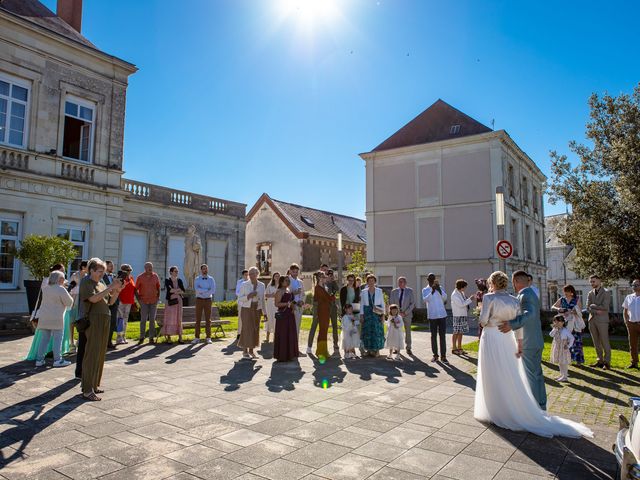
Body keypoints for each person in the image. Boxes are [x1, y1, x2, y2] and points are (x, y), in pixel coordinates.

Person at [475, 271, 592, 438]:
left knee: (492, 373)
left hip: (492, 337)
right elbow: (520, 327)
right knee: (509, 373)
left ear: (492, 283)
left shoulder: (488, 298)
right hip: (508, 339)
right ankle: (513, 407)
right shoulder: (514, 299)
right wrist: (519, 341)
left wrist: (480, 313)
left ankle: (497, 409)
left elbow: (483, 321)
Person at [498, 270, 546, 410]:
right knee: (537, 375)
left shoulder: (525, 295)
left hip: (528, 342)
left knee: (531, 376)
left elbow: (529, 314)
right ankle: (541, 404)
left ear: (516, 281)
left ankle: (535, 408)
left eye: (513, 282)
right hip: (536, 340)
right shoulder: (531, 293)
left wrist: (511, 324)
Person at [80, 258, 122, 401]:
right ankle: (87, 389)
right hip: (93, 319)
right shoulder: (86, 282)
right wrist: (110, 287)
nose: (101, 274)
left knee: (100, 354)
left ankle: (94, 384)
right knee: (92, 353)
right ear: (91, 270)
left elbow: (110, 302)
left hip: (105, 318)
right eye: (99, 271)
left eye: (103, 271)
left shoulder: (101, 283)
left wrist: (117, 290)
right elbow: (93, 299)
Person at [26, 264, 73, 361]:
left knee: (44, 339)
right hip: (56, 318)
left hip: (44, 317)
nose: (64, 280)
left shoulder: (46, 288)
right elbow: (69, 302)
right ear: (59, 279)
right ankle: (57, 360)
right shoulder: (60, 289)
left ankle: (39, 360)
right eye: (63, 278)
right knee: (57, 339)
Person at [551, 285, 585, 365]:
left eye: (567, 291)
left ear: (571, 292)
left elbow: (580, 311)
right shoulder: (562, 299)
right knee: (564, 341)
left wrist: (573, 311)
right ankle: (565, 359)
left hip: (574, 324)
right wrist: (558, 309)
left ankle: (578, 361)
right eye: (565, 291)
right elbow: (553, 306)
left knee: (576, 341)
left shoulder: (576, 300)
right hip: (563, 323)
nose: (565, 293)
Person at [238, 267, 265, 359]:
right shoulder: (244, 284)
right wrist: (248, 296)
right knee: (246, 329)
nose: (252, 275)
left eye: (254, 273)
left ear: (257, 274)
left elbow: (263, 300)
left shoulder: (262, 285)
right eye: (250, 274)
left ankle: (251, 351)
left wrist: (264, 313)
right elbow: (239, 299)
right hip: (246, 309)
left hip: (257, 309)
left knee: (255, 329)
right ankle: (245, 351)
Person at [586, 275, 612, 369]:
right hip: (592, 320)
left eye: (593, 281)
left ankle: (607, 362)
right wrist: (596, 310)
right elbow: (588, 307)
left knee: (605, 341)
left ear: (599, 280)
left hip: (602, 321)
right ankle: (599, 360)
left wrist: (593, 306)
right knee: (596, 342)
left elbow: (605, 307)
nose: (592, 283)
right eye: (591, 282)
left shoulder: (606, 292)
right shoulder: (590, 293)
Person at [422, 273, 448, 363]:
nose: (432, 280)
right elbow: (425, 300)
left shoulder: (440, 287)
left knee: (442, 336)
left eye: (433, 278)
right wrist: (432, 291)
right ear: (427, 279)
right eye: (430, 279)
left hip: (442, 315)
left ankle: (443, 356)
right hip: (432, 316)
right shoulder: (425, 290)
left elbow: (445, 298)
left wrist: (439, 290)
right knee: (433, 336)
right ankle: (435, 355)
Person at [273, 275, 299, 362]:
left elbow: (291, 302)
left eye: (288, 280)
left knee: (290, 333)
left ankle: (290, 354)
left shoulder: (288, 290)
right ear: (281, 282)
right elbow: (276, 304)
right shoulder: (279, 291)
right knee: (283, 334)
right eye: (286, 280)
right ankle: (282, 355)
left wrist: (293, 305)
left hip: (290, 315)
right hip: (283, 316)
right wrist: (287, 304)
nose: (288, 282)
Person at [360, 274, 385, 357]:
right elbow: (362, 304)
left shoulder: (379, 291)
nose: (371, 282)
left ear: (375, 281)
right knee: (367, 332)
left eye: (372, 280)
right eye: (369, 281)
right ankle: (369, 350)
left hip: (376, 313)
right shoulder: (363, 291)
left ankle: (377, 350)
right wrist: (361, 315)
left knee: (377, 331)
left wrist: (383, 315)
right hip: (367, 313)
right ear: (367, 282)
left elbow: (382, 303)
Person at [135, 262, 160, 344]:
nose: (150, 268)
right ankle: (142, 337)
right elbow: (135, 289)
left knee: (152, 320)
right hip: (144, 301)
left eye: (151, 267)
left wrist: (157, 297)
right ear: (145, 268)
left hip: (153, 301)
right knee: (143, 320)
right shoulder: (140, 277)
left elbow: (158, 287)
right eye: (148, 267)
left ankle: (151, 338)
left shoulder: (155, 276)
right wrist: (139, 300)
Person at [389, 277, 415, 355]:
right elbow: (391, 303)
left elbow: (412, 303)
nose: (400, 283)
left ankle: (408, 348)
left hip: (407, 315)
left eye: (402, 282)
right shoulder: (394, 291)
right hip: (396, 315)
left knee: (408, 331)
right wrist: (396, 313)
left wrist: (405, 313)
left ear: (405, 283)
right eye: (399, 282)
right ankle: (397, 348)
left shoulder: (410, 291)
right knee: (396, 331)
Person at [313, 271, 335, 360]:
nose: (324, 278)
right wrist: (332, 297)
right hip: (322, 310)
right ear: (319, 278)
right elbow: (327, 298)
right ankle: (321, 352)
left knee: (324, 331)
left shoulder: (323, 287)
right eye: (322, 277)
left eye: (324, 277)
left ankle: (322, 351)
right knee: (323, 330)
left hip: (326, 310)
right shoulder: (318, 288)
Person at [68, 260, 88, 353]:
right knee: (72, 322)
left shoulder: (88, 276)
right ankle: (71, 343)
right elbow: (70, 287)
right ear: (83, 267)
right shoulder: (75, 275)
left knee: (82, 322)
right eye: (88, 267)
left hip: (84, 301)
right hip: (75, 301)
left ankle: (80, 342)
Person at [193, 264, 216, 344]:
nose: (205, 270)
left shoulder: (211, 279)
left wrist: (202, 291)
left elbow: (213, 290)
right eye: (203, 269)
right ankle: (196, 337)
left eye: (206, 269)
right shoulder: (197, 279)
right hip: (199, 300)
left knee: (208, 320)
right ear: (201, 270)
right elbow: (196, 289)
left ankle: (208, 337)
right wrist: (206, 290)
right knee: (198, 319)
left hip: (208, 300)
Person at [162, 266, 185, 344]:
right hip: (171, 301)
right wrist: (178, 290)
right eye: (175, 271)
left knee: (179, 318)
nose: (177, 273)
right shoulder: (167, 280)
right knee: (170, 318)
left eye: (177, 271)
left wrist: (175, 291)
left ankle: (180, 337)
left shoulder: (180, 280)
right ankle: (169, 338)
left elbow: (183, 291)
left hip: (179, 301)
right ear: (171, 272)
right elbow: (169, 290)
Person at [451, 279, 473, 355]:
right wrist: (470, 299)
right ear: (461, 287)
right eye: (464, 287)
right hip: (458, 316)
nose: (465, 288)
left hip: (463, 315)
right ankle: (454, 348)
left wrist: (468, 299)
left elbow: (464, 302)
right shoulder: (454, 295)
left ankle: (460, 348)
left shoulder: (461, 293)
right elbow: (461, 304)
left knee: (461, 332)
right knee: (456, 332)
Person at [550, 315, 574, 382]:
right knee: (560, 362)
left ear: (562, 322)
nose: (556, 323)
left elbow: (572, 338)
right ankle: (561, 375)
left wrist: (569, 346)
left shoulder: (565, 330)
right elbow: (551, 335)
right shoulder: (555, 329)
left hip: (563, 349)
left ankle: (565, 376)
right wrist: (554, 329)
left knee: (564, 362)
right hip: (557, 348)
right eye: (555, 322)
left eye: (558, 322)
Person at [622, 279, 640, 369]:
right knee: (632, 345)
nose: (634, 287)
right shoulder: (629, 297)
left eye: (636, 285)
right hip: (632, 324)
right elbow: (625, 311)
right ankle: (634, 362)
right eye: (633, 285)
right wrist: (626, 322)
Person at [289, 264, 305, 355]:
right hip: (291, 307)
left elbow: (303, 294)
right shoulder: (287, 280)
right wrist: (294, 293)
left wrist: (302, 301)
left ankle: (296, 349)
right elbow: (285, 293)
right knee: (291, 328)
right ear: (290, 271)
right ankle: (290, 348)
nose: (295, 274)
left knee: (297, 328)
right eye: (293, 272)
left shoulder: (300, 282)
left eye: (296, 272)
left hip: (299, 307)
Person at [116, 264, 135, 344]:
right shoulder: (120, 278)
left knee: (126, 319)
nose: (129, 272)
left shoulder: (131, 278)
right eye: (128, 270)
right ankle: (119, 337)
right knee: (120, 319)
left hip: (129, 301)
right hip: (121, 300)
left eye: (130, 270)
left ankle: (123, 335)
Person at [103, 261, 119, 350]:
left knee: (113, 322)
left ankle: (109, 341)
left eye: (113, 266)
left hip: (114, 302)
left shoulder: (114, 276)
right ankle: (104, 341)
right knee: (105, 322)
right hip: (105, 302)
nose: (112, 267)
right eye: (110, 266)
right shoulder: (102, 276)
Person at [264, 272, 280, 343]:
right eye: (276, 276)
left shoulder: (281, 286)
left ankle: (275, 338)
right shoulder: (270, 285)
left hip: (277, 305)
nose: (277, 277)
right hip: (270, 304)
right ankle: (267, 337)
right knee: (269, 318)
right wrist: (272, 295)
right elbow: (265, 295)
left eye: (278, 276)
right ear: (273, 277)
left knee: (276, 320)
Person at [235, 269, 249, 338]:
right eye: (245, 275)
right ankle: (239, 333)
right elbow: (237, 292)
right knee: (240, 318)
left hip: (249, 302)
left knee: (248, 318)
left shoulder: (251, 282)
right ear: (243, 275)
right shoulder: (239, 282)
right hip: (241, 302)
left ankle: (246, 332)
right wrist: (243, 296)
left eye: (248, 275)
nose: (247, 276)